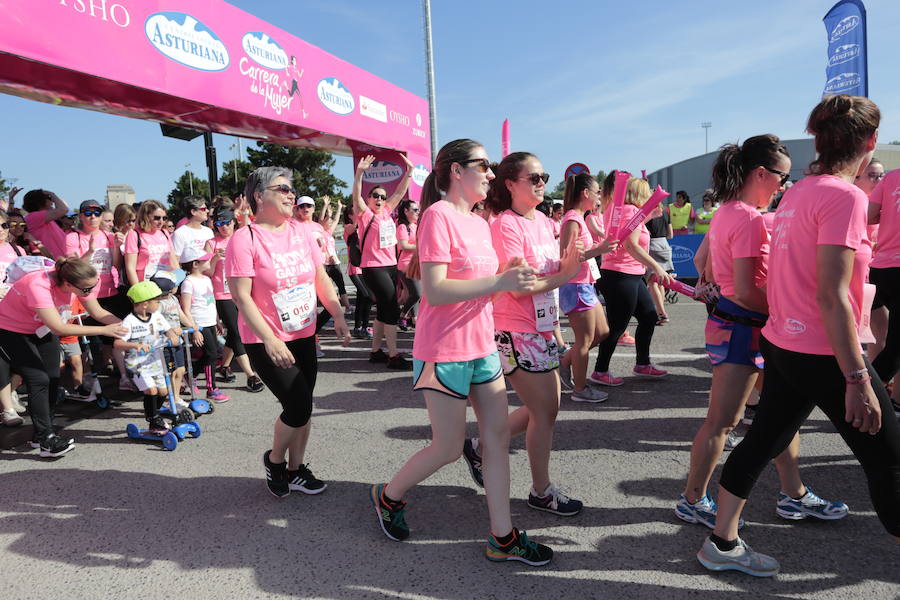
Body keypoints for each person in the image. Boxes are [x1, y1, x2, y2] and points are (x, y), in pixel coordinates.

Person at [699, 95, 900, 577]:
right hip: (822, 350)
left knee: (766, 436)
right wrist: (857, 378)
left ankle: (721, 543)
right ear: (870, 143)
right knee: (889, 460)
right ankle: (721, 542)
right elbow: (832, 294)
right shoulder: (844, 196)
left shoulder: (801, 192)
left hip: (784, 343)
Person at [371, 138, 553, 565]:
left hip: (482, 345)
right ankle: (389, 496)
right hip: (443, 350)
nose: (491, 174)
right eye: (483, 165)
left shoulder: (478, 221)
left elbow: (482, 283)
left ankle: (503, 536)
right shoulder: (437, 216)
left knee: (495, 442)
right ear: (456, 171)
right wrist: (499, 283)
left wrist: (505, 274)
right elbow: (435, 290)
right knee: (449, 447)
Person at [677, 134, 846, 535]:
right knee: (723, 422)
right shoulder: (749, 217)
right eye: (781, 177)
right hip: (744, 327)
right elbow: (747, 289)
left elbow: (706, 264)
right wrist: (789, 310)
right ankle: (692, 499)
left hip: (746, 326)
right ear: (759, 173)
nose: (784, 186)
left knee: (778, 417)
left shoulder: (729, 211)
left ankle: (793, 492)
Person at [467, 151, 585, 517]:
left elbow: (547, 272)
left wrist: (575, 259)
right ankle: (540, 490)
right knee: (546, 410)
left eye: (544, 176)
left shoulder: (542, 222)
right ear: (510, 184)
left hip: (542, 326)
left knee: (545, 409)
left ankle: (479, 446)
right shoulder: (505, 225)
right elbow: (519, 288)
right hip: (514, 328)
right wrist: (566, 274)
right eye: (533, 177)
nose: (542, 183)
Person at [225, 166, 350, 498]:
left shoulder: (302, 232)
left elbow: (319, 277)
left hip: (303, 333)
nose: (290, 194)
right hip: (266, 340)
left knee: (304, 404)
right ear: (259, 196)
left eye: (291, 189)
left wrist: (336, 312)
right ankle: (275, 460)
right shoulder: (244, 238)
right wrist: (269, 338)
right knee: (297, 405)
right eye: (282, 189)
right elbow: (241, 297)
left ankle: (296, 470)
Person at [0, 257, 125, 456]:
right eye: (86, 290)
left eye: (93, 286)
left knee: (53, 377)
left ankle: (42, 433)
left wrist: (128, 327)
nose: (90, 292)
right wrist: (106, 331)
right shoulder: (38, 285)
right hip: (10, 331)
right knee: (38, 379)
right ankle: (46, 439)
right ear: (67, 284)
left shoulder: (82, 283)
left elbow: (99, 312)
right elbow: (59, 327)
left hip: (40, 329)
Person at [592, 177, 672, 386]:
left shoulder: (623, 210)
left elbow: (625, 236)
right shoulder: (629, 211)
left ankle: (642, 364)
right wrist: (656, 266)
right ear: (639, 194)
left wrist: (647, 217)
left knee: (648, 316)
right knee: (617, 327)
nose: (649, 198)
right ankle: (600, 370)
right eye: (646, 193)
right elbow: (631, 245)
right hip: (621, 274)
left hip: (629, 274)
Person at [556, 173, 617, 402]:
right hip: (575, 285)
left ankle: (565, 361)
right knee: (584, 340)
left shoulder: (580, 217)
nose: (599, 196)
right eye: (597, 192)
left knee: (602, 332)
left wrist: (599, 249)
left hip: (585, 284)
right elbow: (566, 256)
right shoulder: (572, 219)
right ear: (585, 194)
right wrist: (600, 249)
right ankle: (580, 389)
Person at [352, 154, 415, 369]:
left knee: (382, 312)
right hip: (373, 267)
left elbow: (399, 192)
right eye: (375, 196)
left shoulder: (387, 212)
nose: (379, 199)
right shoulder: (365, 214)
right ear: (369, 199)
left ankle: (376, 351)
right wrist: (360, 174)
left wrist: (409, 172)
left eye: (382, 196)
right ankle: (393, 355)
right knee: (391, 309)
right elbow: (356, 197)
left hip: (390, 266)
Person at [207, 207, 264, 393]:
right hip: (222, 294)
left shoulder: (240, 238)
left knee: (236, 332)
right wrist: (215, 258)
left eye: (227, 223)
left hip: (243, 292)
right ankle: (251, 375)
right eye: (219, 224)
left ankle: (224, 366)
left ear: (234, 222)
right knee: (237, 331)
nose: (224, 227)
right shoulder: (211, 242)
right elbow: (206, 272)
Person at [115, 281, 182, 435]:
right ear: (145, 304)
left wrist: (172, 336)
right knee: (151, 390)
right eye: (157, 301)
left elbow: (168, 330)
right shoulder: (129, 321)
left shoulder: (157, 316)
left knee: (163, 391)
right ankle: (153, 419)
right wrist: (135, 346)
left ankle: (155, 414)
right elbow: (118, 343)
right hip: (137, 365)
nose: (159, 304)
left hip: (156, 363)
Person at [868, 161, 900, 416]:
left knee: (885, 338)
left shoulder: (891, 178)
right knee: (894, 347)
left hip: (881, 269)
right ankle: (863, 393)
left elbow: (869, 215)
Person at [179, 246, 229, 403]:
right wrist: (194, 329)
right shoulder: (188, 282)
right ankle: (211, 389)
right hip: (198, 323)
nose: (209, 261)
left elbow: (211, 302)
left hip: (210, 322)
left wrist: (217, 321)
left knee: (212, 354)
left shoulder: (207, 279)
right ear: (195, 264)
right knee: (212, 354)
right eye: (205, 260)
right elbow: (185, 309)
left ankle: (191, 375)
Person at [124, 200, 178, 285]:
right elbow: (130, 267)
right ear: (146, 217)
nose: (161, 221)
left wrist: (176, 283)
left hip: (166, 283)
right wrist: (139, 291)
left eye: (164, 218)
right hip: (145, 285)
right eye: (157, 218)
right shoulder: (134, 235)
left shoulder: (165, 233)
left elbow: (173, 262)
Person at [343, 206, 374, 339]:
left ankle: (359, 327)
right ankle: (364, 326)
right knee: (367, 296)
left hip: (365, 267)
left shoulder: (363, 228)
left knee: (362, 298)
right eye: (355, 212)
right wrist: (358, 219)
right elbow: (351, 230)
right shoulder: (348, 227)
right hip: (355, 268)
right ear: (350, 216)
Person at [645, 193, 674, 324]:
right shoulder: (665, 212)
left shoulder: (647, 213)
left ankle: (661, 313)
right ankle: (660, 311)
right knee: (660, 281)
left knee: (652, 282)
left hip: (652, 245)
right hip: (665, 245)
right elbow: (670, 234)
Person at [317, 197, 349, 313]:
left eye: (330, 222)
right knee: (326, 288)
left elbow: (336, 220)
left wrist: (339, 208)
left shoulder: (330, 232)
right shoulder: (319, 231)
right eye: (328, 221)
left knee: (341, 285)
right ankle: (327, 308)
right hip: (324, 264)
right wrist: (325, 206)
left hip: (334, 262)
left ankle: (348, 307)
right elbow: (321, 219)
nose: (330, 223)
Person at [395, 198, 421, 331]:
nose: (418, 212)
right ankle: (402, 316)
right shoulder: (402, 227)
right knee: (417, 293)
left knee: (414, 294)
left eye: (418, 209)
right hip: (405, 265)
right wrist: (421, 246)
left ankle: (414, 320)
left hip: (417, 265)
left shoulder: (416, 226)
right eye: (415, 209)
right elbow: (403, 245)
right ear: (406, 211)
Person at [22, 189, 69, 258]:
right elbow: (64, 209)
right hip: (50, 264)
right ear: (41, 201)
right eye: (49, 198)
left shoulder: (44, 219)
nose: (52, 202)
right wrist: (52, 194)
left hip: (57, 262)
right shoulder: (34, 217)